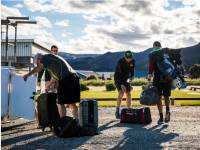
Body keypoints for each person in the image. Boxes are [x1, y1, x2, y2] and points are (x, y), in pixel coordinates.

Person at [23, 53, 80, 119]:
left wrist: (28, 74)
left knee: (60, 103)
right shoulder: (51, 61)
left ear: (39, 59)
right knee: (72, 103)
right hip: (73, 78)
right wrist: (48, 86)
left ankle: (63, 122)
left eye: (37, 63)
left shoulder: (46, 58)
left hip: (66, 80)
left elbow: (38, 68)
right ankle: (76, 120)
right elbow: (55, 77)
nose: (37, 64)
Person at [148, 41, 171, 124]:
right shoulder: (167, 53)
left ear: (154, 46)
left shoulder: (152, 54)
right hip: (168, 77)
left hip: (158, 78)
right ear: (161, 46)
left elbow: (151, 65)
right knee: (167, 96)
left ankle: (161, 117)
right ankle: (167, 111)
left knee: (158, 97)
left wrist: (150, 75)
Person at [114, 50, 135, 119]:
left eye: (130, 58)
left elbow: (132, 71)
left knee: (128, 93)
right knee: (121, 93)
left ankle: (129, 109)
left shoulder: (132, 61)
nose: (129, 59)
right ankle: (117, 110)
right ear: (125, 57)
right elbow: (119, 74)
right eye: (128, 58)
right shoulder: (120, 62)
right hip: (118, 79)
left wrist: (131, 78)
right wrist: (121, 84)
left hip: (126, 79)